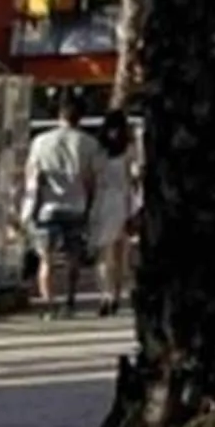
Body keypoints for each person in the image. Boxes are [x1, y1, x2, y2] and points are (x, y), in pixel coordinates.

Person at [26, 102, 103, 313]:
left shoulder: (40, 142)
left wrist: (30, 205)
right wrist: (91, 203)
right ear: (80, 119)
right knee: (73, 256)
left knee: (46, 257)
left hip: (47, 207)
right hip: (76, 205)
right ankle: (70, 298)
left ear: (59, 117)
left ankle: (49, 303)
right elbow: (91, 179)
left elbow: (32, 174)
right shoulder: (88, 143)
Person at [89, 107, 136, 314]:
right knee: (110, 253)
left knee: (113, 253)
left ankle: (111, 293)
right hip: (114, 201)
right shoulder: (118, 151)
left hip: (113, 201)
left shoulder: (103, 152)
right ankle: (109, 293)